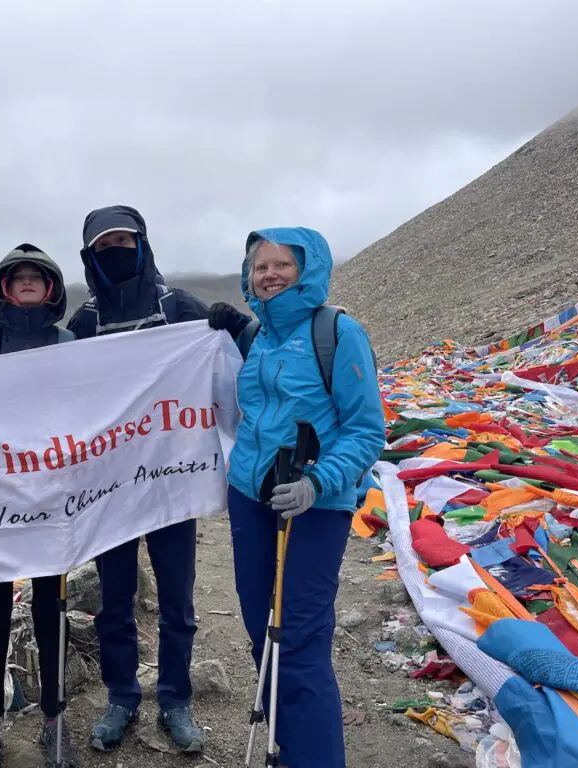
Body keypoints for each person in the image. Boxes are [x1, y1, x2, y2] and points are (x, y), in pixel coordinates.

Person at [208, 227, 385, 768]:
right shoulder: (258, 337)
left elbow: (366, 430)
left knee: (300, 640)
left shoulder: (337, 332)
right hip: (251, 501)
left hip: (312, 508)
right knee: (262, 629)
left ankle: (315, 757)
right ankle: (282, 745)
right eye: (260, 266)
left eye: (282, 264)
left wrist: (318, 483)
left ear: (307, 272)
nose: (270, 274)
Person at [66, 205, 209, 754]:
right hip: (111, 489)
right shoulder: (81, 324)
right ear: (89, 257)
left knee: (178, 601)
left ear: (144, 244)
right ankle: (121, 696)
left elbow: (231, 365)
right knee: (115, 601)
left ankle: (175, 700)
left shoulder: (180, 309)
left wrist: (235, 329)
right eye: (104, 247)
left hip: (172, 483)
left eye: (124, 241)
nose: (116, 252)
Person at [0, 244, 77, 768]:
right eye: (18, 276)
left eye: (37, 275)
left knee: (52, 607)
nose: (28, 281)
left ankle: (55, 719)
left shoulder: (71, 344)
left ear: (51, 287)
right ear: (3, 288)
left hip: (53, 497)